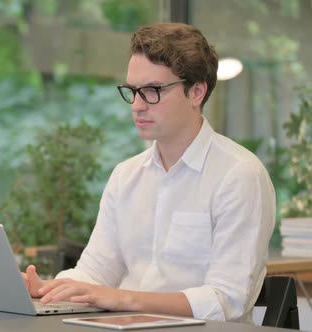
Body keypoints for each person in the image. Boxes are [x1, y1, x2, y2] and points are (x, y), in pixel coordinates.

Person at [22, 22, 275, 323]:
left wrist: (123, 299)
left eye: (152, 91)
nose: (137, 106)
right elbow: (96, 270)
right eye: (132, 91)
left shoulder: (239, 175)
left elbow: (226, 301)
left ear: (196, 92)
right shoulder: (126, 175)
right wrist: (51, 289)